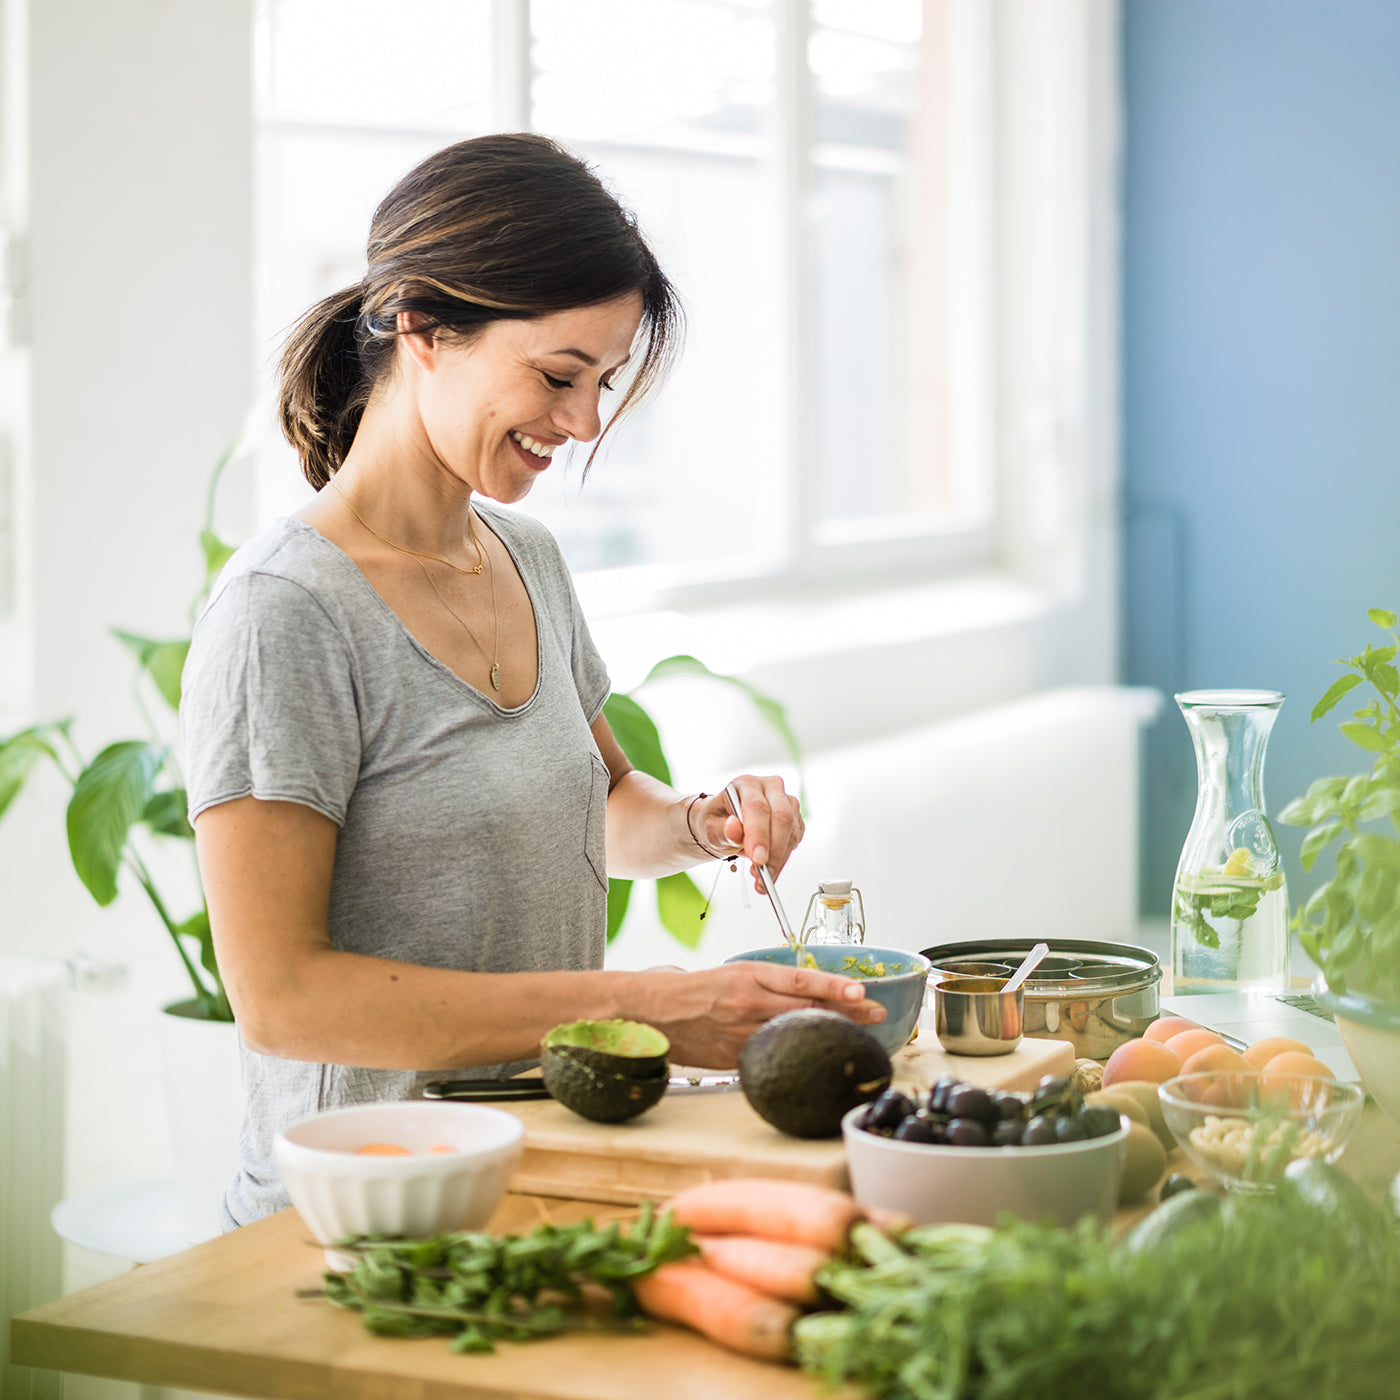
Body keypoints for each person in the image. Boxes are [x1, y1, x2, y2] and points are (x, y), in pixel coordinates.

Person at [181, 133, 883, 1228]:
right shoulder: (286, 610)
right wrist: (651, 1006)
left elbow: (599, 807)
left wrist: (700, 822)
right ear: (421, 325)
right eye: (559, 375)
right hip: (359, 1213)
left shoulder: (526, 558)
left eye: (603, 382)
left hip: (538, 1169)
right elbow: (284, 998)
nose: (586, 422)